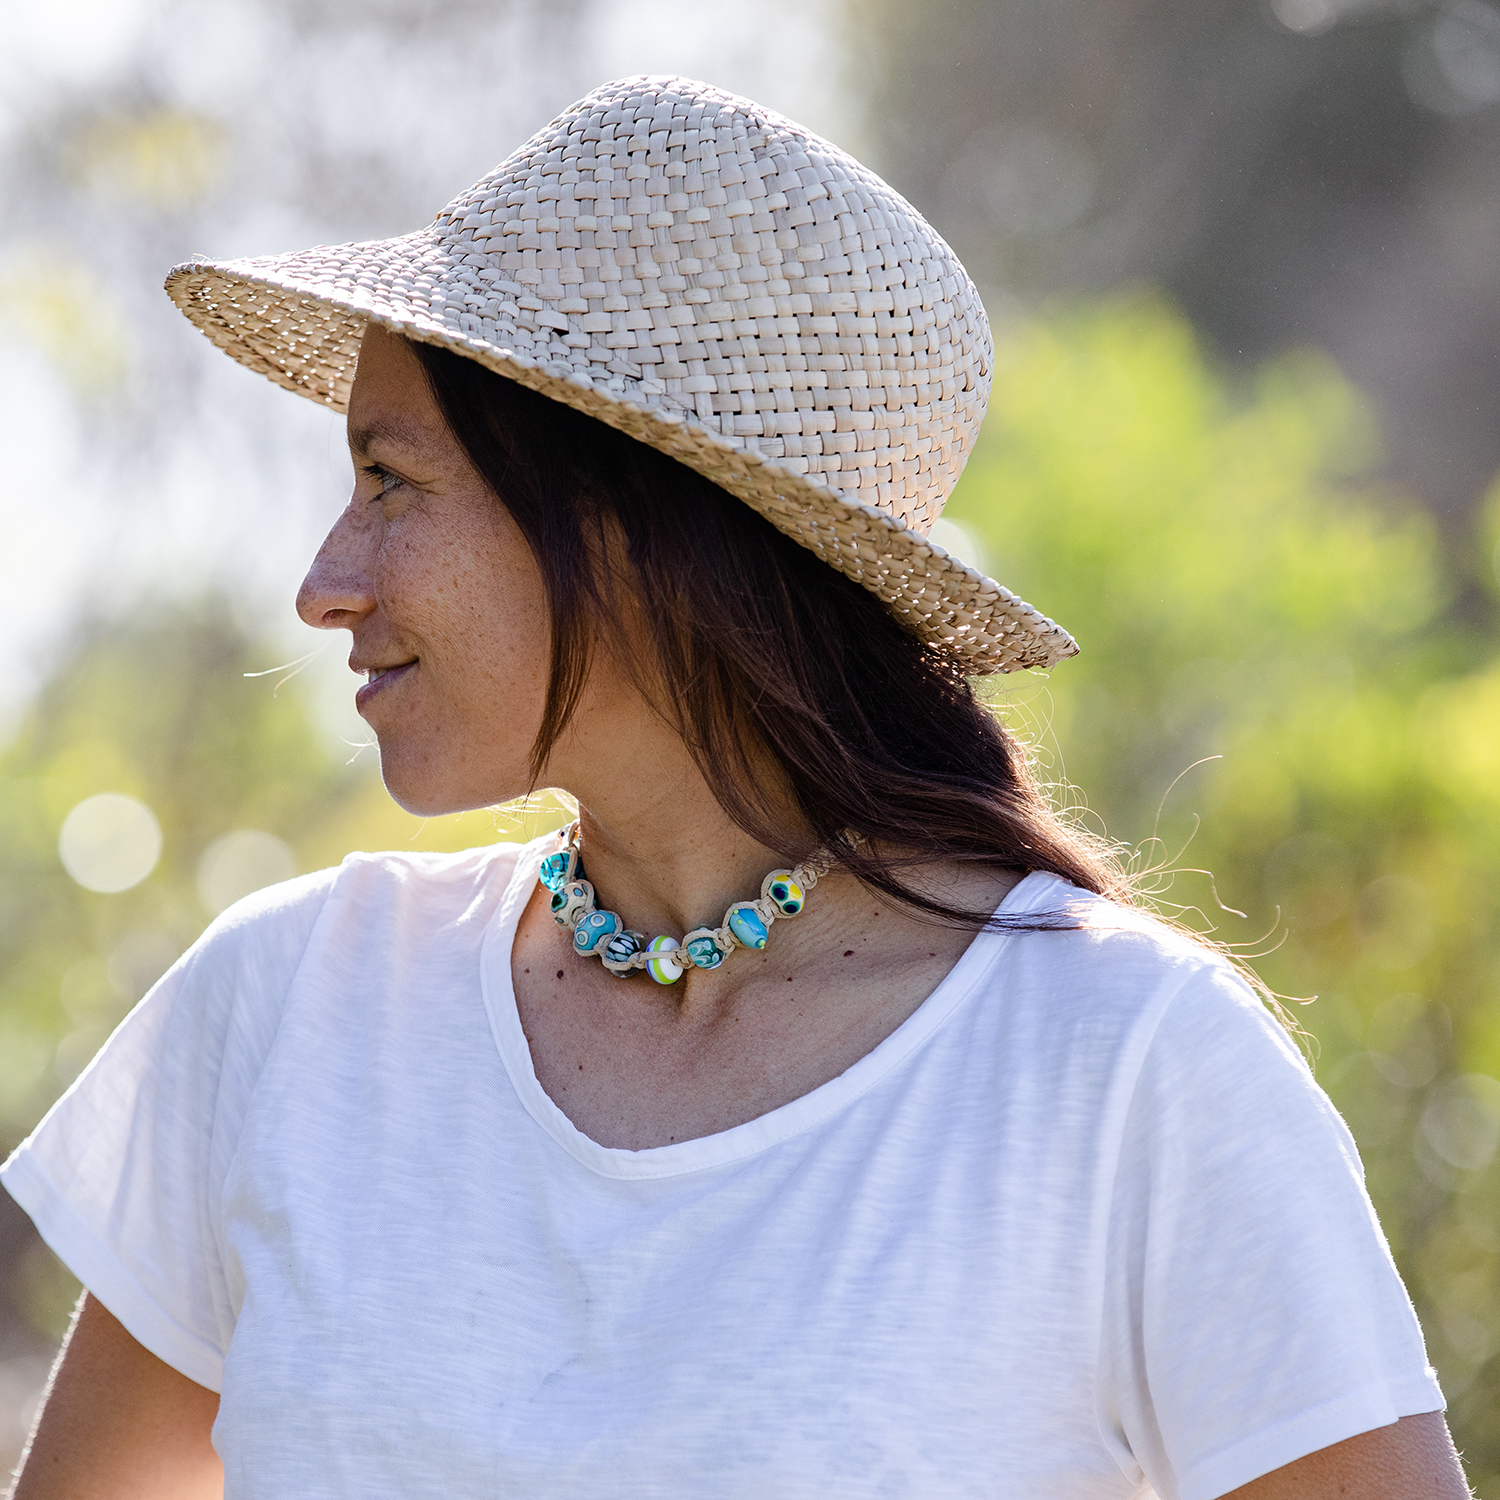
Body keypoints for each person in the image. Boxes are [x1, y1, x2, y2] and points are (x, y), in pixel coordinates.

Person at [0, 76, 1472, 1500]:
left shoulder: (1127, 1072)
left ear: (635, 522)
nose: (325, 584)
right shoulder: (283, 1010)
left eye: (390, 481)